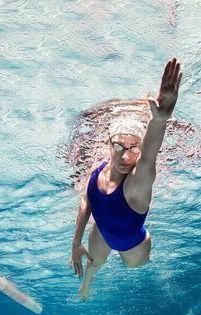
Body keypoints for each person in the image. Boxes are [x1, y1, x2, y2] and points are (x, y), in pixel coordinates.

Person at [69, 58, 182, 301]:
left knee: (135, 267)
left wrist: (159, 119)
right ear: (108, 144)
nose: (125, 155)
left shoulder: (137, 182)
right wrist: (76, 241)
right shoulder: (96, 171)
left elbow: (149, 157)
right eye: (119, 146)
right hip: (102, 233)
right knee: (94, 262)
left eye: (133, 148)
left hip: (133, 242)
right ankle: (88, 283)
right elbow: (86, 202)